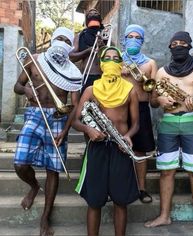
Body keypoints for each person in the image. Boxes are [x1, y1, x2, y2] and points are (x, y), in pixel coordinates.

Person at [145, 31, 193, 236]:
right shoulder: (161, 72)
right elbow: (152, 101)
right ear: (170, 47)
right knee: (166, 171)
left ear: (189, 46)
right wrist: (159, 100)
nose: (178, 46)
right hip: (167, 122)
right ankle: (164, 216)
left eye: (183, 43)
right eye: (174, 43)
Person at [14, 27, 83, 236]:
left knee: (53, 168)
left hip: (58, 119)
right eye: (59, 38)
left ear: (70, 45)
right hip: (34, 114)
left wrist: (65, 131)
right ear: (52, 40)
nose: (61, 42)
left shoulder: (73, 71)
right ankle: (34, 186)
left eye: (66, 40)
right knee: (19, 163)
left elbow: (75, 105)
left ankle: (45, 219)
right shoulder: (34, 59)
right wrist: (26, 90)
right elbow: (18, 85)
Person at [73, 46, 140, 236]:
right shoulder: (91, 90)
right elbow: (76, 121)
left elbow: (136, 124)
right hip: (97, 149)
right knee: (94, 201)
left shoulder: (130, 90)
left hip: (121, 148)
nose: (111, 61)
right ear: (101, 64)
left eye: (115, 58)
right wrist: (88, 129)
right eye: (107, 58)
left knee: (121, 200)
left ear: (121, 64)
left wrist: (128, 136)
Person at [122, 24, 158, 203]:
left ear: (142, 41)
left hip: (142, 108)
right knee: (119, 149)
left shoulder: (150, 63)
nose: (133, 40)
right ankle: (120, 186)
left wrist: (157, 98)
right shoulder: (116, 60)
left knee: (141, 151)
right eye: (130, 36)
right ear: (124, 39)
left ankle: (141, 188)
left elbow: (154, 96)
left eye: (138, 37)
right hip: (120, 109)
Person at [69, 8, 105, 96]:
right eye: (90, 13)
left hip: (104, 76)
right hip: (87, 76)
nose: (93, 13)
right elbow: (71, 57)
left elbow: (113, 56)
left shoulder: (106, 34)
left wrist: (103, 47)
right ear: (86, 20)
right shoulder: (80, 36)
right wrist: (88, 51)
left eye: (96, 12)